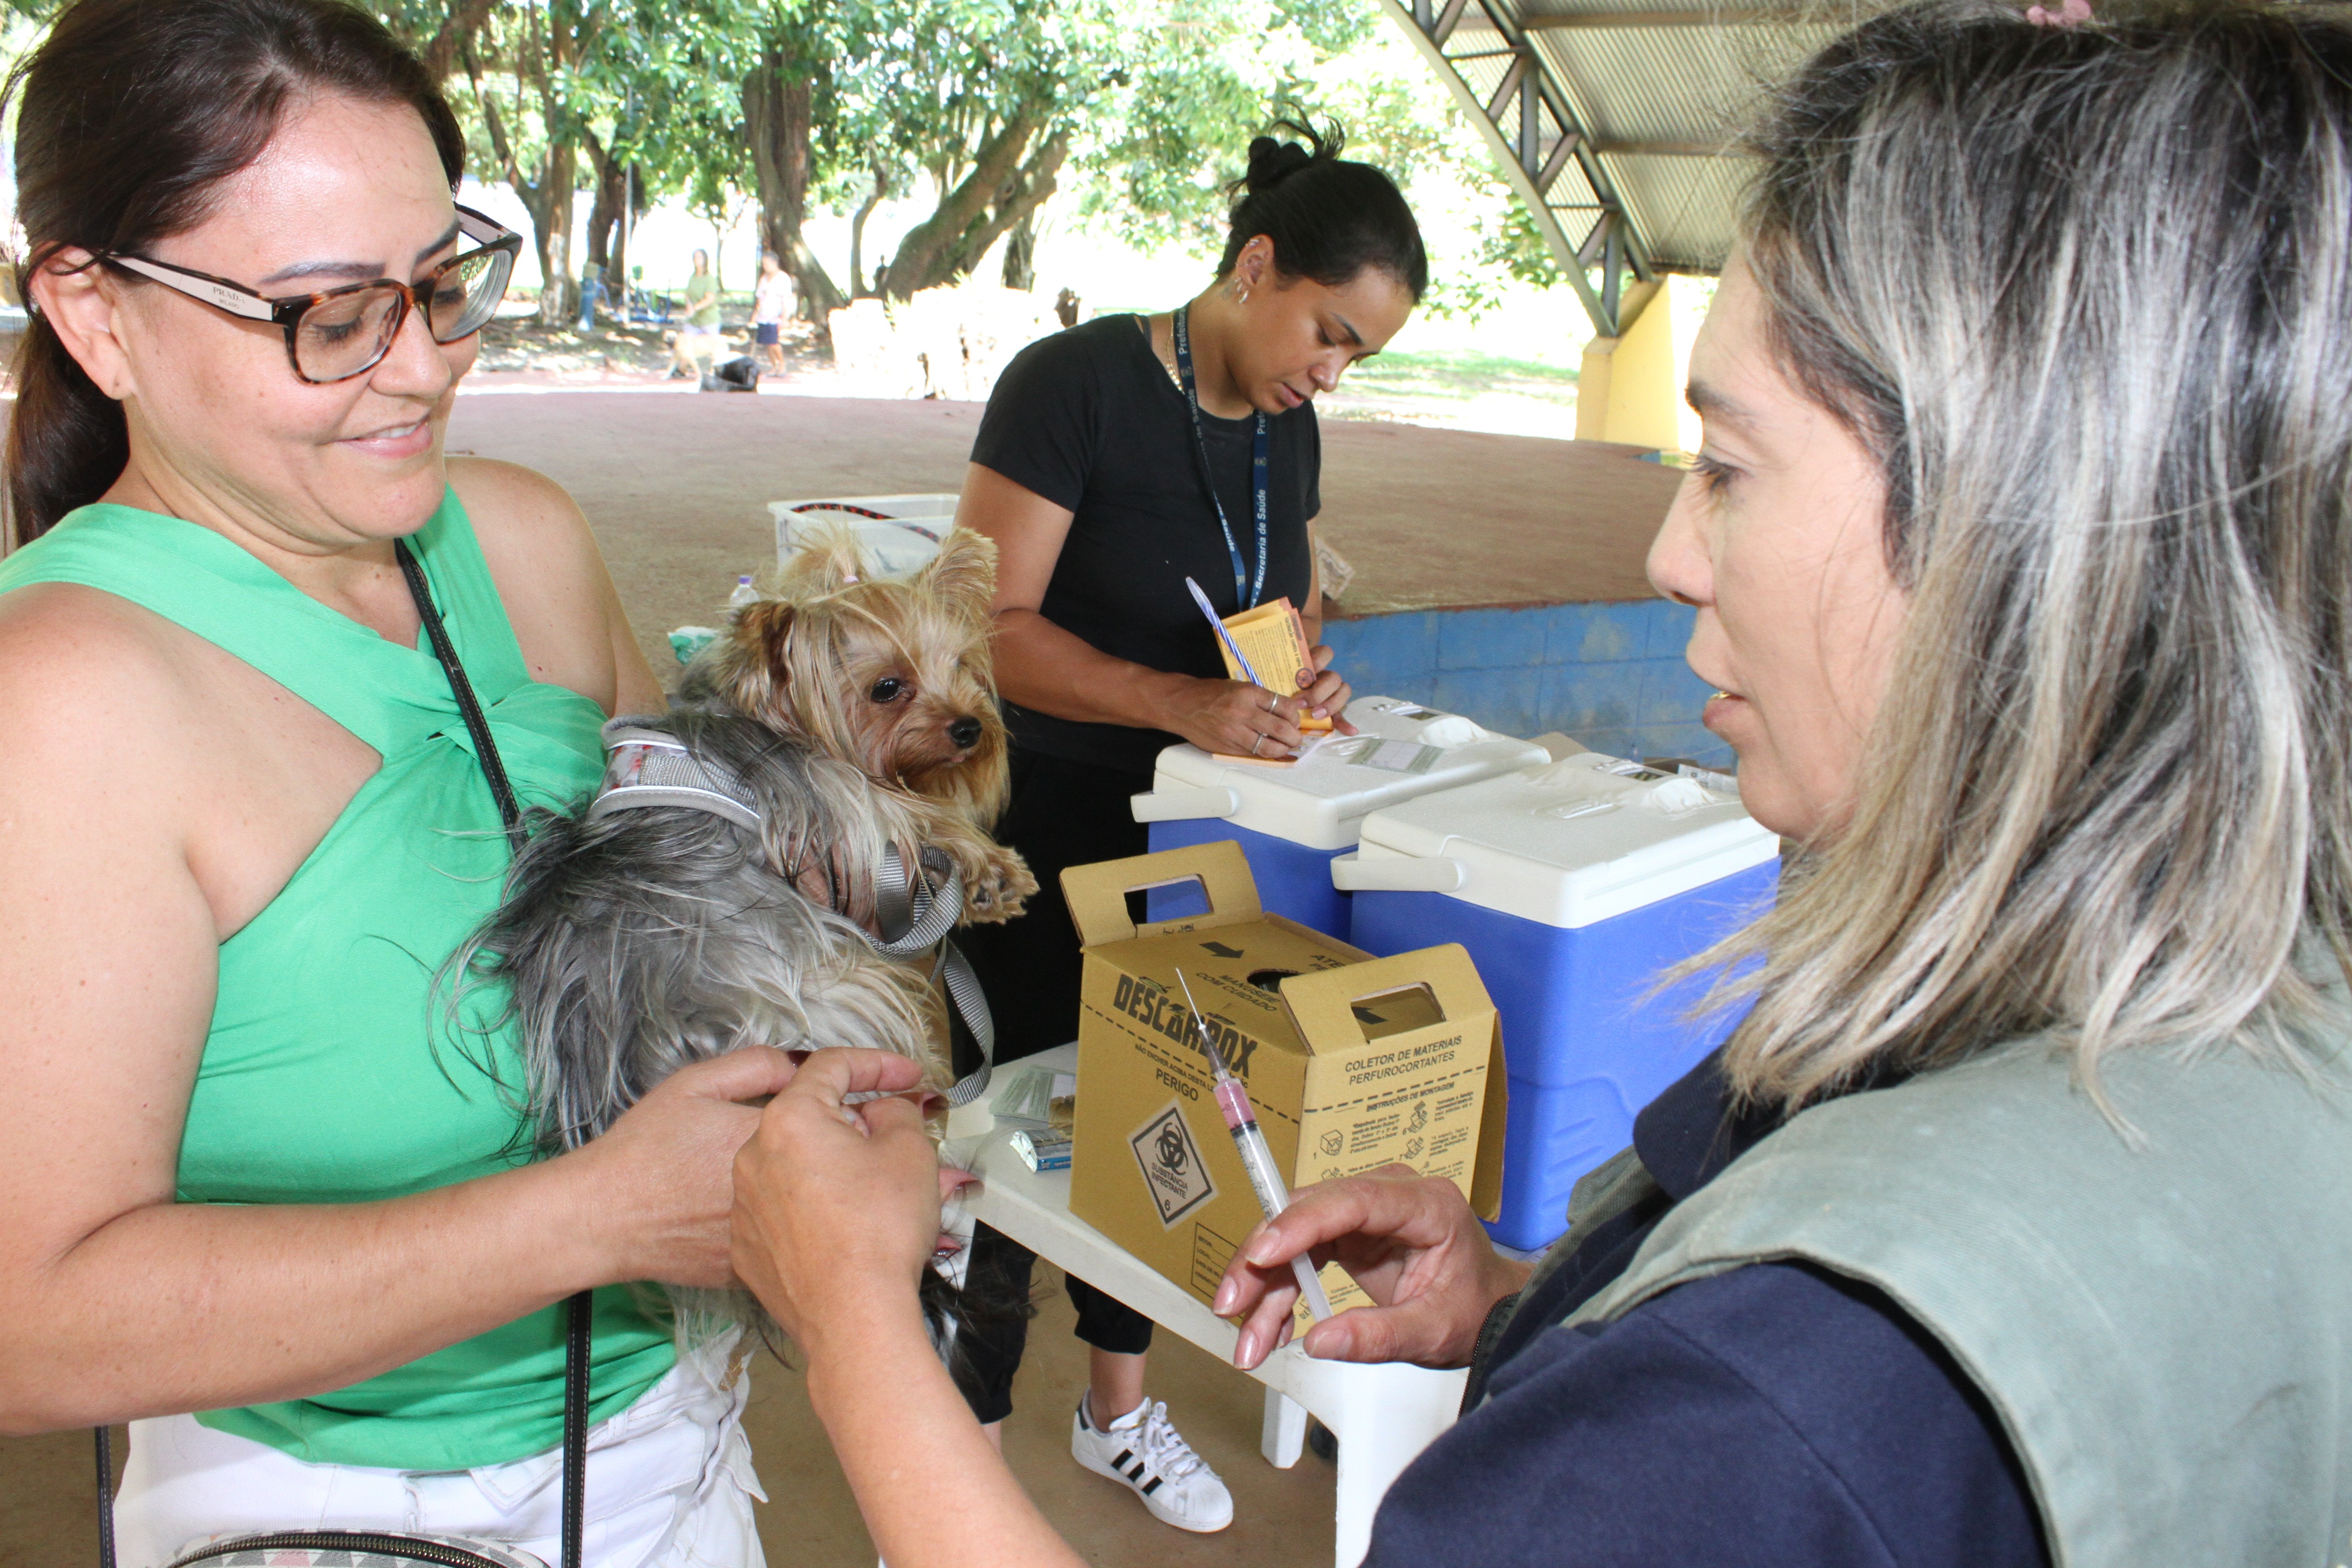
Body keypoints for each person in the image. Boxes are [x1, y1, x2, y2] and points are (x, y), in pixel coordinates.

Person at [730, 3, 2352, 1564]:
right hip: (1098, 813)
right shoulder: (2262, 1051)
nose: (1663, 552)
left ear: (2031, 541)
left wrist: (849, 1324)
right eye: (1331, 333)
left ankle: (1063, 1387)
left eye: (1726, 466)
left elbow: (1772, 1414)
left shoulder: (1773, 1396)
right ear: (1255, 270)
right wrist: (1540, 1291)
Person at [0, 1, 786, 1560]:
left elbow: (681, 900)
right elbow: (32, 1324)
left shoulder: (522, 541)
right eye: (331, 312)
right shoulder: (66, 701)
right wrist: (605, 1215)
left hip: (677, 1446)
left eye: (442, 286)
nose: (422, 369)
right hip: (332, 1508)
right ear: (97, 316)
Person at [946, 120, 1421, 1532]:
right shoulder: (1073, 386)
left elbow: (1284, 607)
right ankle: (960, 1445)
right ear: (1256, 263)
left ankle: (1117, 1414)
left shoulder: (1290, 428)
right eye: (1328, 333)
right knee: (1016, 1135)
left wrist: (1299, 677)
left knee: (1169, 1120)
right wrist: (1175, 699)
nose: (1330, 373)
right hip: (1044, 827)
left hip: (1198, 835)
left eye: (1357, 359)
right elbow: (983, 625)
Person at [666, 247, 720, 380]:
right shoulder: (692, 277)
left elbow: (710, 298)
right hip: (694, 320)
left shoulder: (709, 279)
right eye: (695, 257)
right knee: (683, 344)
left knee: (714, 347)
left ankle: (716, 372)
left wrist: (695, 308)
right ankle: (681, 370)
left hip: (709, 319)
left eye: (700, 257)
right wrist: (689, 306)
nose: (697, 260)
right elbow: (688, 295)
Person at [753, 251, 794, 374]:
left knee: (774, 342)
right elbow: (760, 297)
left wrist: (784, 318)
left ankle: (782, 364)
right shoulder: (764, 279)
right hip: (764, 316)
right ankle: (774, 365)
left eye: (767, 264)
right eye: (763, 264)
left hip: (775, 316)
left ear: (774, 263)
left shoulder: (783, 278)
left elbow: (786, 300)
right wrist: (756, 313)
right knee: (768, 343)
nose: (765, 266)